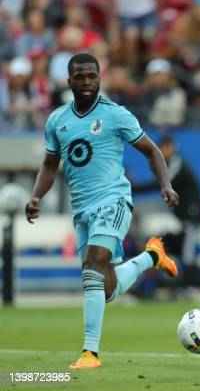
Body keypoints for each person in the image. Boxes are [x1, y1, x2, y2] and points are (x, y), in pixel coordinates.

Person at [25, 53, 180, 369]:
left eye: (91, 76)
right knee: (105, 288)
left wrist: (165, 184)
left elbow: (151, 151)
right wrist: (36, 196)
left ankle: (90, 353)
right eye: (79, 76)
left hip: (114, 200)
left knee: (93, 266)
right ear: (68, 81)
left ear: (99, 78)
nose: (86, 82)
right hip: (82, 210)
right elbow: (50, 164)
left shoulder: (116, 115)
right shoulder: (57, 120)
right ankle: (151, 256)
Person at [132, 135, 200, 290]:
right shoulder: (171, 162)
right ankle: (178, 285)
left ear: (170, 147)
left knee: (188, 250)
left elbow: (165, 182)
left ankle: (188, 286)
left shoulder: (177, 162)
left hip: (192, 214)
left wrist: (135, 187)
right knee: (182, 248)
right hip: (183, 217)